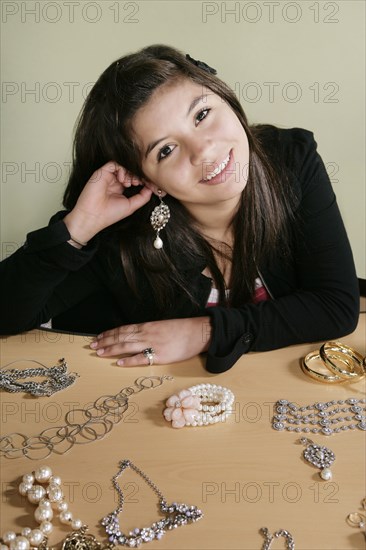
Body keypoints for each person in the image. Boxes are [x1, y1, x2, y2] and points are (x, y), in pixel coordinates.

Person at [0, 45, 359, 373]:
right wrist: (78, 228)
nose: (203, 151)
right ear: (148, 180)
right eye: (165, 151)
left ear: (224, 97)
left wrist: (203, 332)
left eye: (202, 114)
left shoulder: (291, 160)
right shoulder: (124, 232)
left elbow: (336, 306)